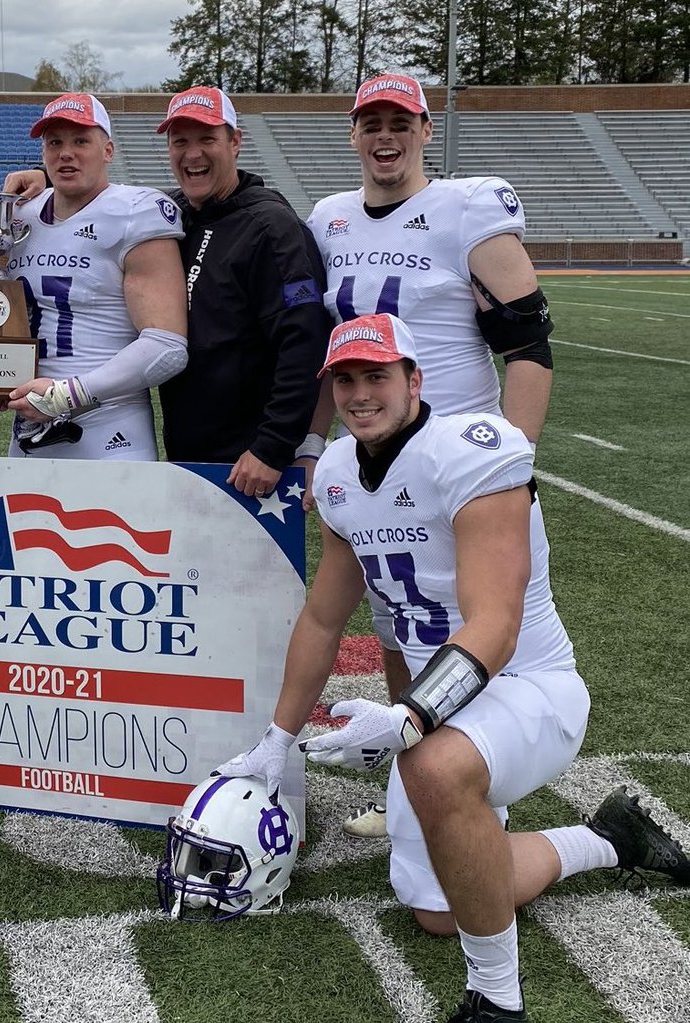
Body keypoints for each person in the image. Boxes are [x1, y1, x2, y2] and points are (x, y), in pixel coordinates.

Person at [218, 313, 688, 1022]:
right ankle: (608, 838)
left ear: (415, 379)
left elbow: (494, 624)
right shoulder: (342, 470)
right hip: (448, 703)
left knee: (433, 766)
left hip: (528, 687)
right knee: (438, 908)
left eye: (377, 376)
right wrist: (277, 738)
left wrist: (411, 716)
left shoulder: (474, 451)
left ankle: (497, 1002)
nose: (359, 393)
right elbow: (323, 617)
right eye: (345, 380)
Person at [305, 73, 556, 838]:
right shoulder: (329, 218)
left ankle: (478, 793)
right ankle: (412, 783)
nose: (386, 135)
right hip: (374, 460)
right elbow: (332, 353)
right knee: (397, 623)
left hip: (461, 463)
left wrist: (509, 459)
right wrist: (316, 446)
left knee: (477, 628)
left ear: (424, 130)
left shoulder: (467, 207)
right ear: (352, 133)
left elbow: (529, 345)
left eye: (400, 122)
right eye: (371, 121)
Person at [155, 86, 332, 497]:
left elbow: (304, 340)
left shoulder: (272, 227)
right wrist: (44, 178)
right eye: (180, 141)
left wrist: (272, 447)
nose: (192, 153)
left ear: (235, 142)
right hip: (189, 451)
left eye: (207, 139)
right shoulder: (174, 216)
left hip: (250, 463)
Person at [3, 92, 188, 458]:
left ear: (108, 150)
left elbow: (167, 347)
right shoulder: (20, 215)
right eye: (54, 142)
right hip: (29, 427)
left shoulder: (134, 212)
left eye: (81, 141)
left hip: (109, 430)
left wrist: (64, 395)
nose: (66, 152)